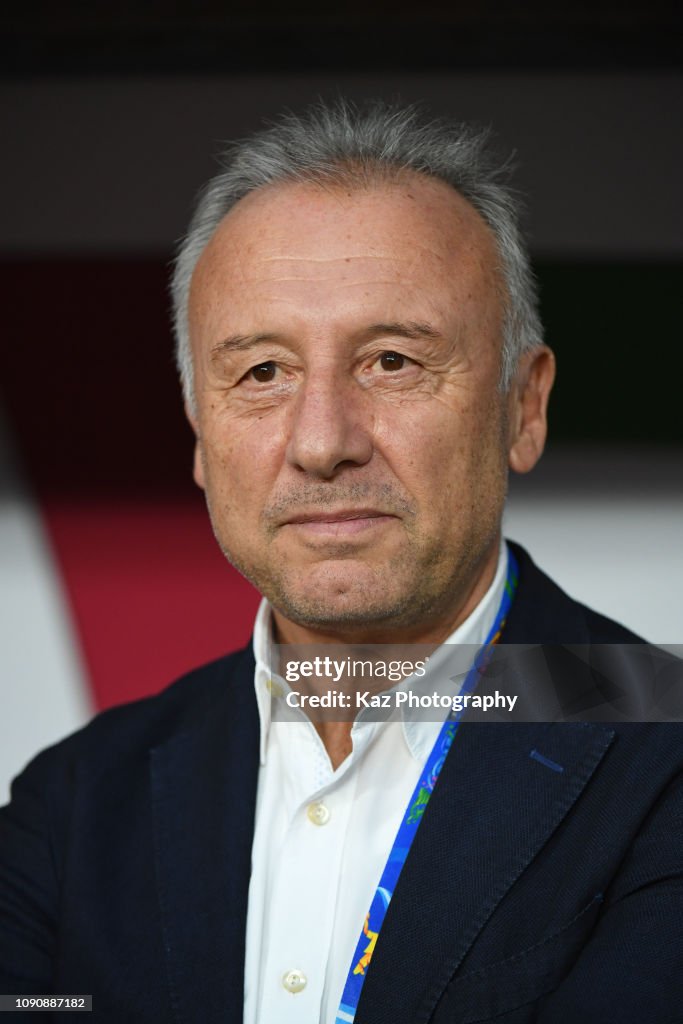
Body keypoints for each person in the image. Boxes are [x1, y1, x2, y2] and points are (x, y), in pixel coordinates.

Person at [0, 101, 681, 1024]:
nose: (322, 443)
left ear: (524, 408)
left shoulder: (665, 748)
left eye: (393, 360)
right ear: (199, 435)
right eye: (261, 373)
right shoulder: (72, 804)